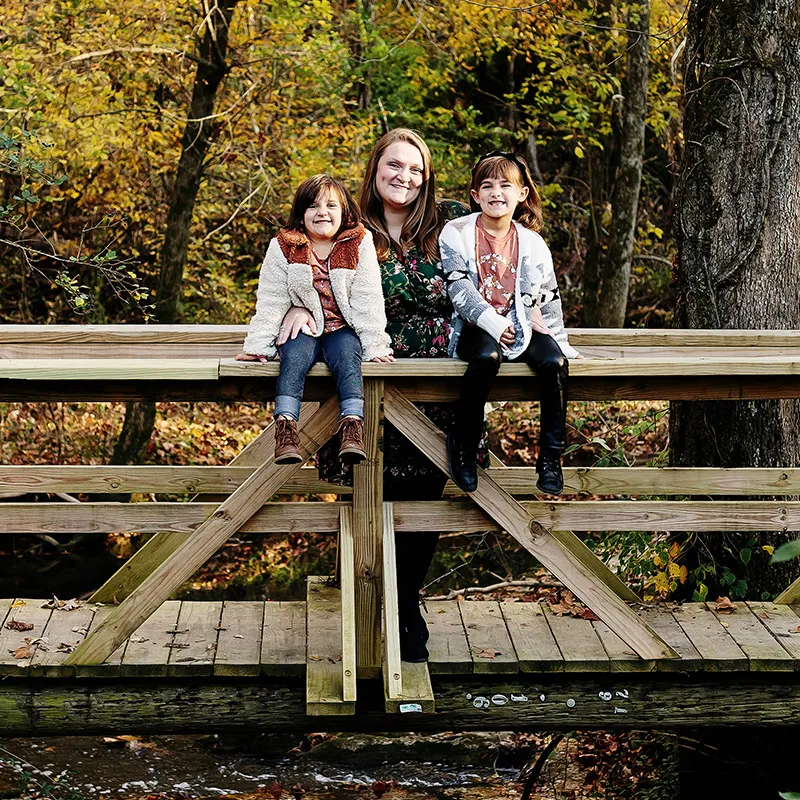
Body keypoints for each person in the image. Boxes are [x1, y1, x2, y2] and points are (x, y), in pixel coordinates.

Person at [277, 129, 471, 663]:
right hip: (366, 378)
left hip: (438, 383)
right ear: (375, 168)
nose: (404, 176)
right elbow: (294, 266)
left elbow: (506, 253)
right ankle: (370, 608)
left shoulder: (451, 222)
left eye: (415, 168)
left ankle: (405, 604)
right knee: (369, 491)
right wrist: (296, 307)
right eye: (394, 165)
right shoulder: (345, 220)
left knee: (426, 496)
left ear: (426, 176)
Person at [441, 152, 578, 496]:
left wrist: (559, 341)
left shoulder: (532, 242)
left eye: (505, 185)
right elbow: (457, 285)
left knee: (553, 363)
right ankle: (464, 445)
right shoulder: (455, 232)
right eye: (486, 186)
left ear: (522, 194)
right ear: (474, 195)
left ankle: (550, 457)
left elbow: (548, 296)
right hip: (474, 325)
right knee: (487, 359)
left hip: (520, 322)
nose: (496, 193)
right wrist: (491, 321)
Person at [237, 174, 394, 465]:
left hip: (340, 327)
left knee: (348, 356)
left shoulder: (357, 243)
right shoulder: (286, 245)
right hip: (303, 326)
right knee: (294, 357)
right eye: (313, 206)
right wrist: (258, 345)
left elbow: (367, 298)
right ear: (300, 213)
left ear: (346, 211)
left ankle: (352, 425)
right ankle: (285, 428)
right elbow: (272, 298)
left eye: (331, 205)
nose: (322, 212)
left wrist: (376, 346)